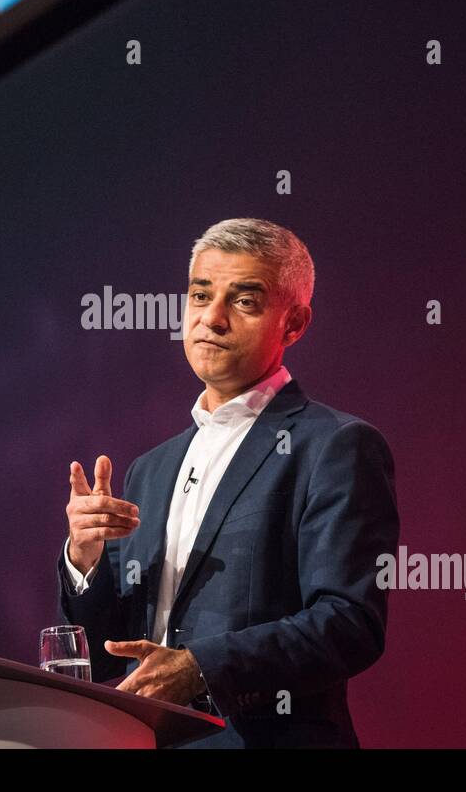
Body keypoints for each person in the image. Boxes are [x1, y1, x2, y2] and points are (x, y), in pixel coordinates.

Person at [56, 217, 400, 748]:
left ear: (294, 324)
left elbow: (349, 623)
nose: (211, 319)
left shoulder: (334, 445)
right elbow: (113, 650)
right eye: (199, 295)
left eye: (244, 301)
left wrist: (201, 668)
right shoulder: (151, 468)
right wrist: (86, 559)